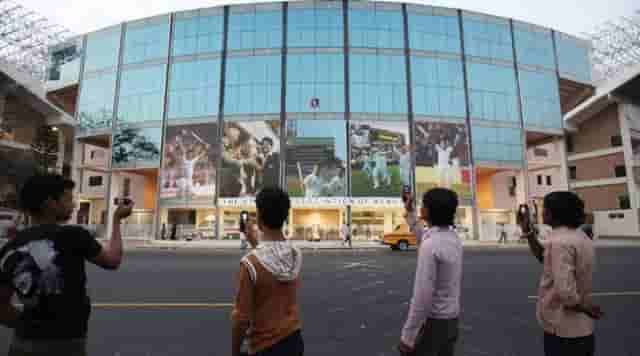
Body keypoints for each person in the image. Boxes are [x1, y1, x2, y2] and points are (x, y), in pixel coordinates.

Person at [0, 174, 133, 356]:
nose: (74, 205)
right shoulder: (74, 236)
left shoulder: (11, 247)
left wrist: (28, 324)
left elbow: (1, 306)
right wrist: (117, 220)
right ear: (50, 203)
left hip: (22, 345)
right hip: (67, 345)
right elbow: (112, 260)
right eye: (68, 199)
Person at [518, 192, 603, 356]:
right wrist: (528, 231)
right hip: (581, 331)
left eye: (544, 209)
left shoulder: (560, 243)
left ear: (552, 213)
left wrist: (584, 307)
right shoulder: (578, 237)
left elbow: (566, 293)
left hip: (563, 333)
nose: (542, 213)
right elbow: (546, 259)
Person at [231, 187, 304, 356]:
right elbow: (275, 260)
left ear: (259, 218)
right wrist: (254, 242)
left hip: (265, 346)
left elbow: (241, 319)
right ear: (285, 217)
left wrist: (235, 352)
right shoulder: (295, 254)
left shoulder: (250, 264)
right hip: (294, 340)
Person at [398, 188, 463, 356]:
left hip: (433, 325)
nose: (421, 207)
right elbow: (425, 235)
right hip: (451, 322)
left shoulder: (431, 246)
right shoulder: (453, 239)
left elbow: (422, 296)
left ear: (431, 210)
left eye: (424, 204)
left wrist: (408, 335)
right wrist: (410, 211)